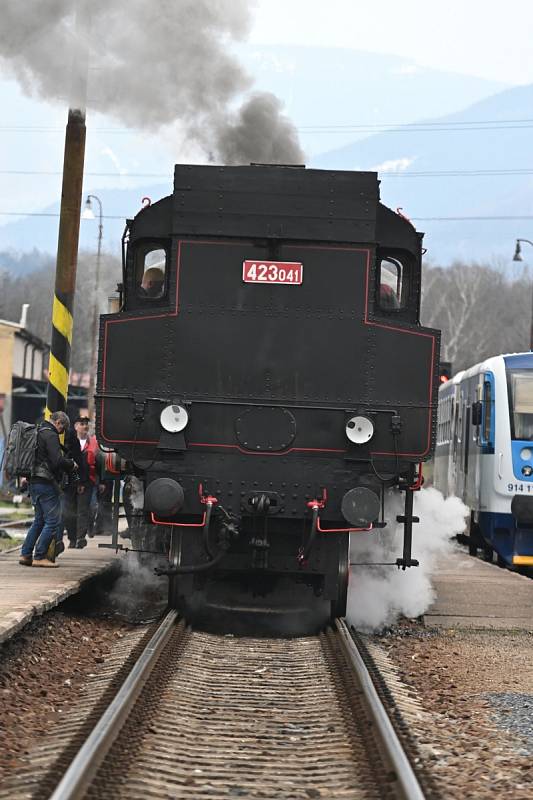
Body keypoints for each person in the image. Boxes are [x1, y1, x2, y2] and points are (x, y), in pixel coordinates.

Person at [19, 411, 75, 568]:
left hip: (34, 481)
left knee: (39, 520)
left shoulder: (37, 431)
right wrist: (71, 464)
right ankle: (40, 556)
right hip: (45, 482)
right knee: (53, 521)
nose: (61, 432)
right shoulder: (50, 435)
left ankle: (25, 554)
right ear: (58, 423)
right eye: (62, 429)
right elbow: (56, 461)